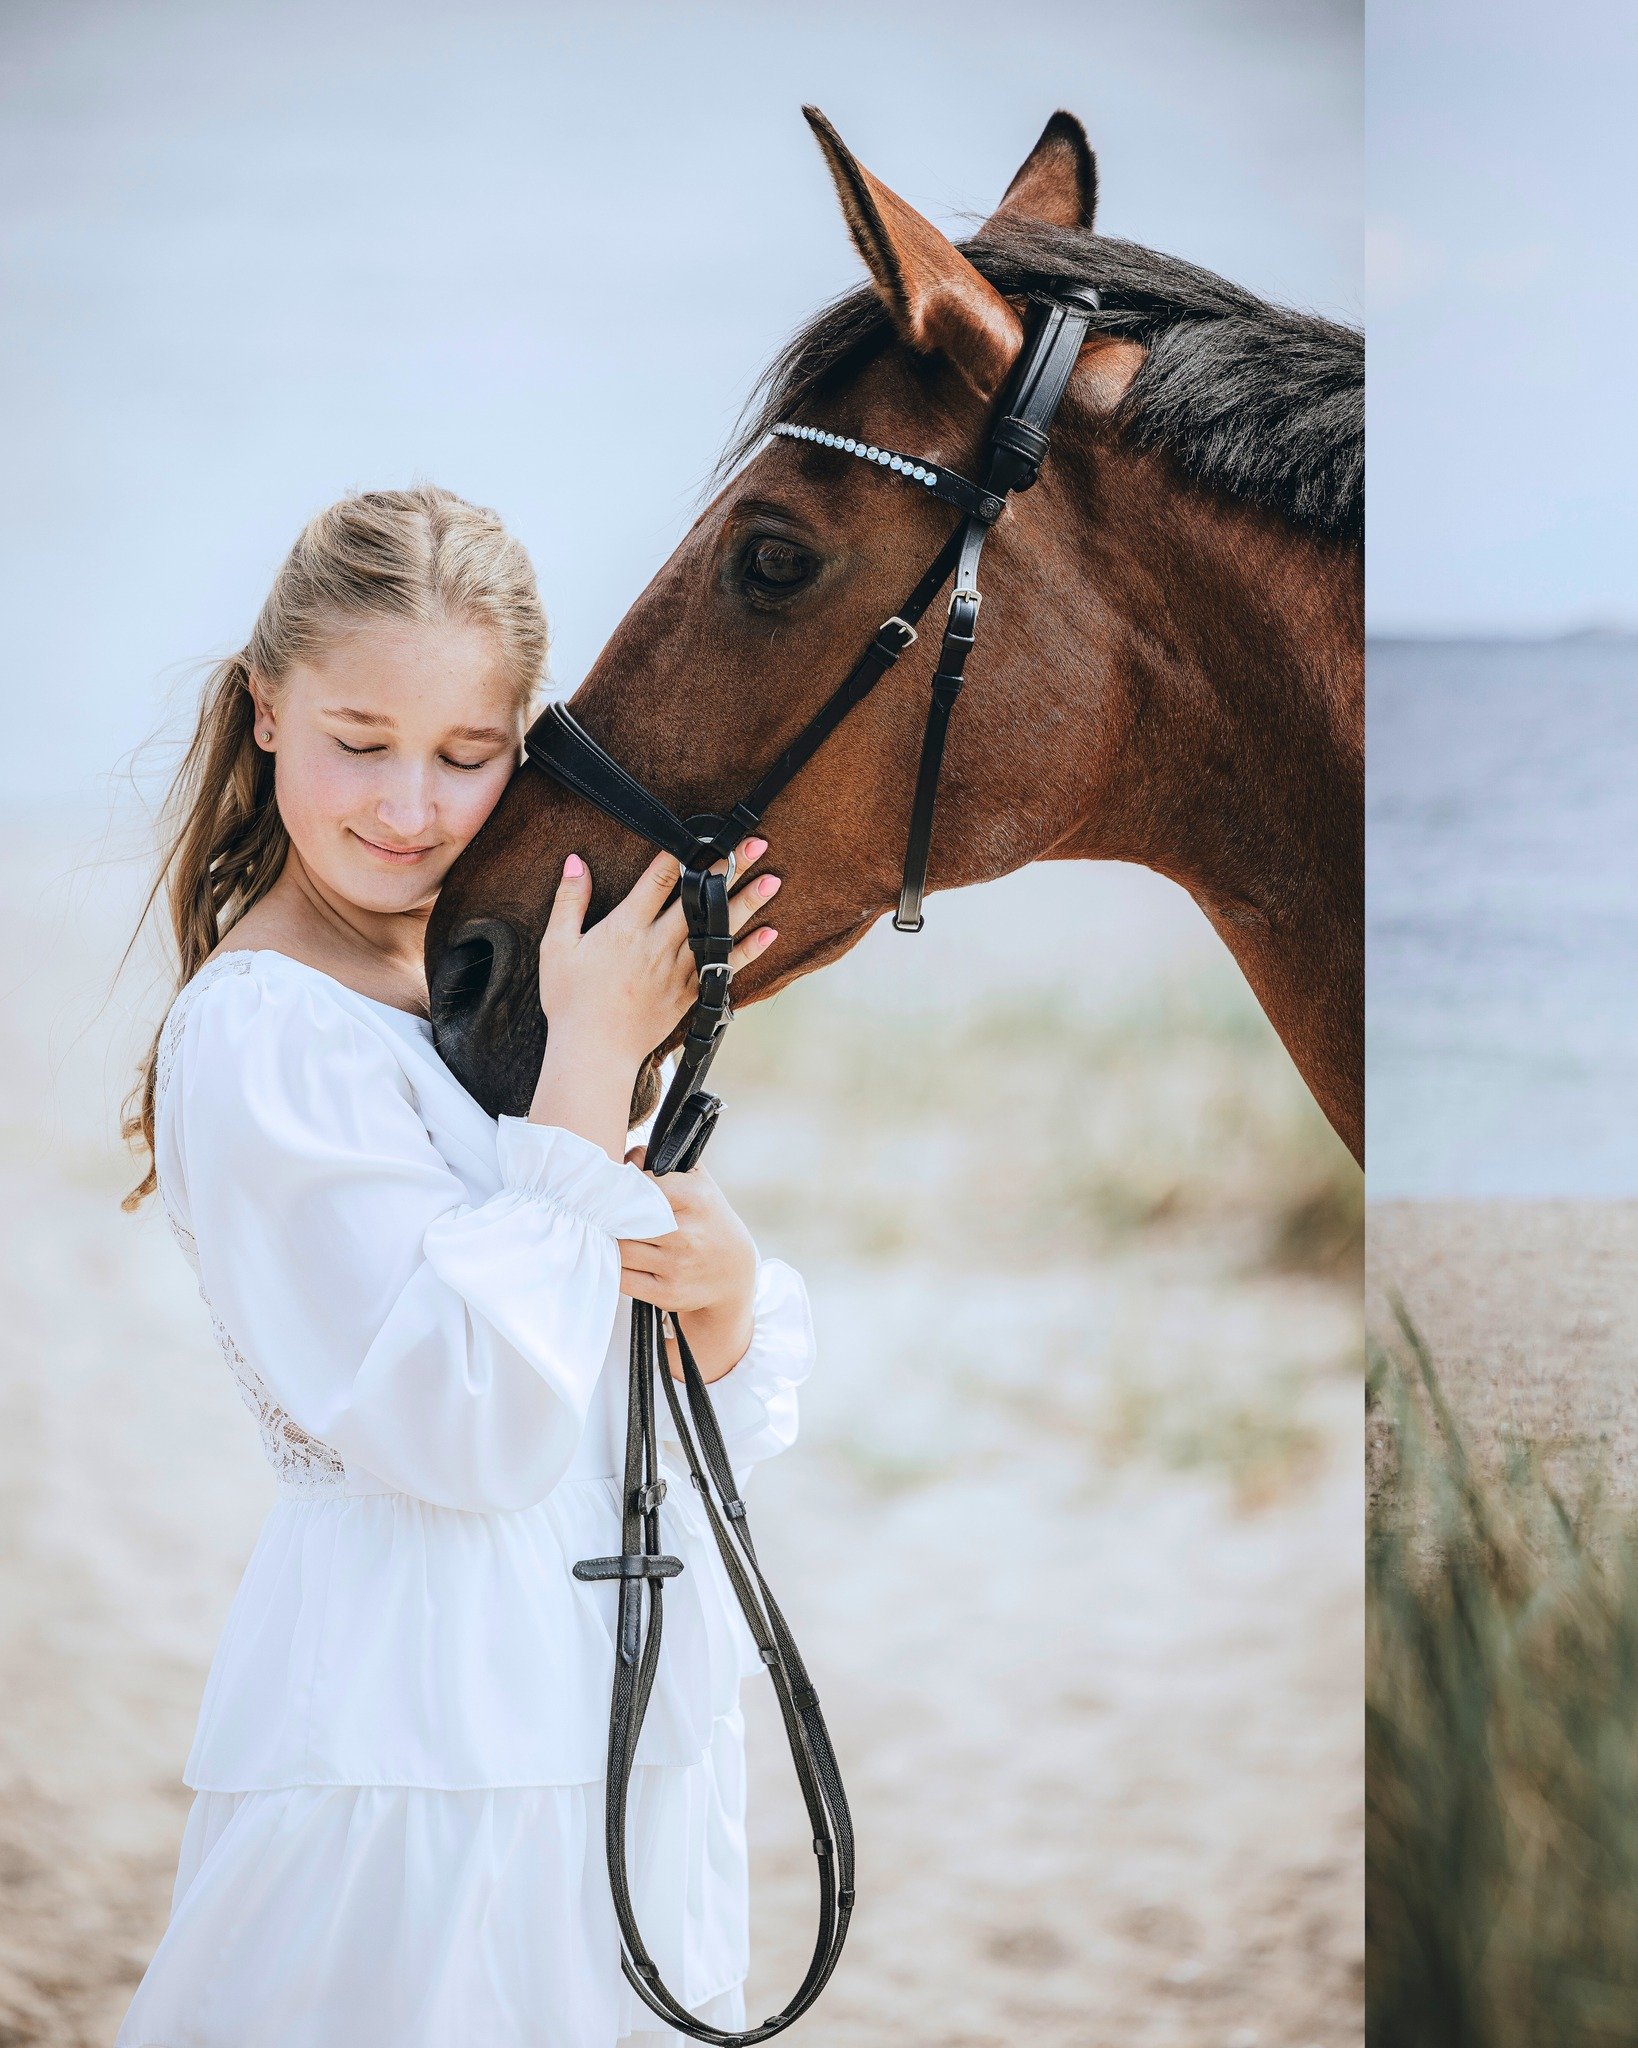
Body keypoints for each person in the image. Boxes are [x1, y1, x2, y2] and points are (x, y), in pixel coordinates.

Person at [113, 484, 813, 2048]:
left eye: (468, 754)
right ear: (267, 712)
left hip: (606, 1722)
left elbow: (620, 1402)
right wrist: (584, 1079)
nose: (411, 809)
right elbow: (459, 1430)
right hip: (423, 1736)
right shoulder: (264, 1030)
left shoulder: (470, 991)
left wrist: (724, 1298)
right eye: (361, 743)